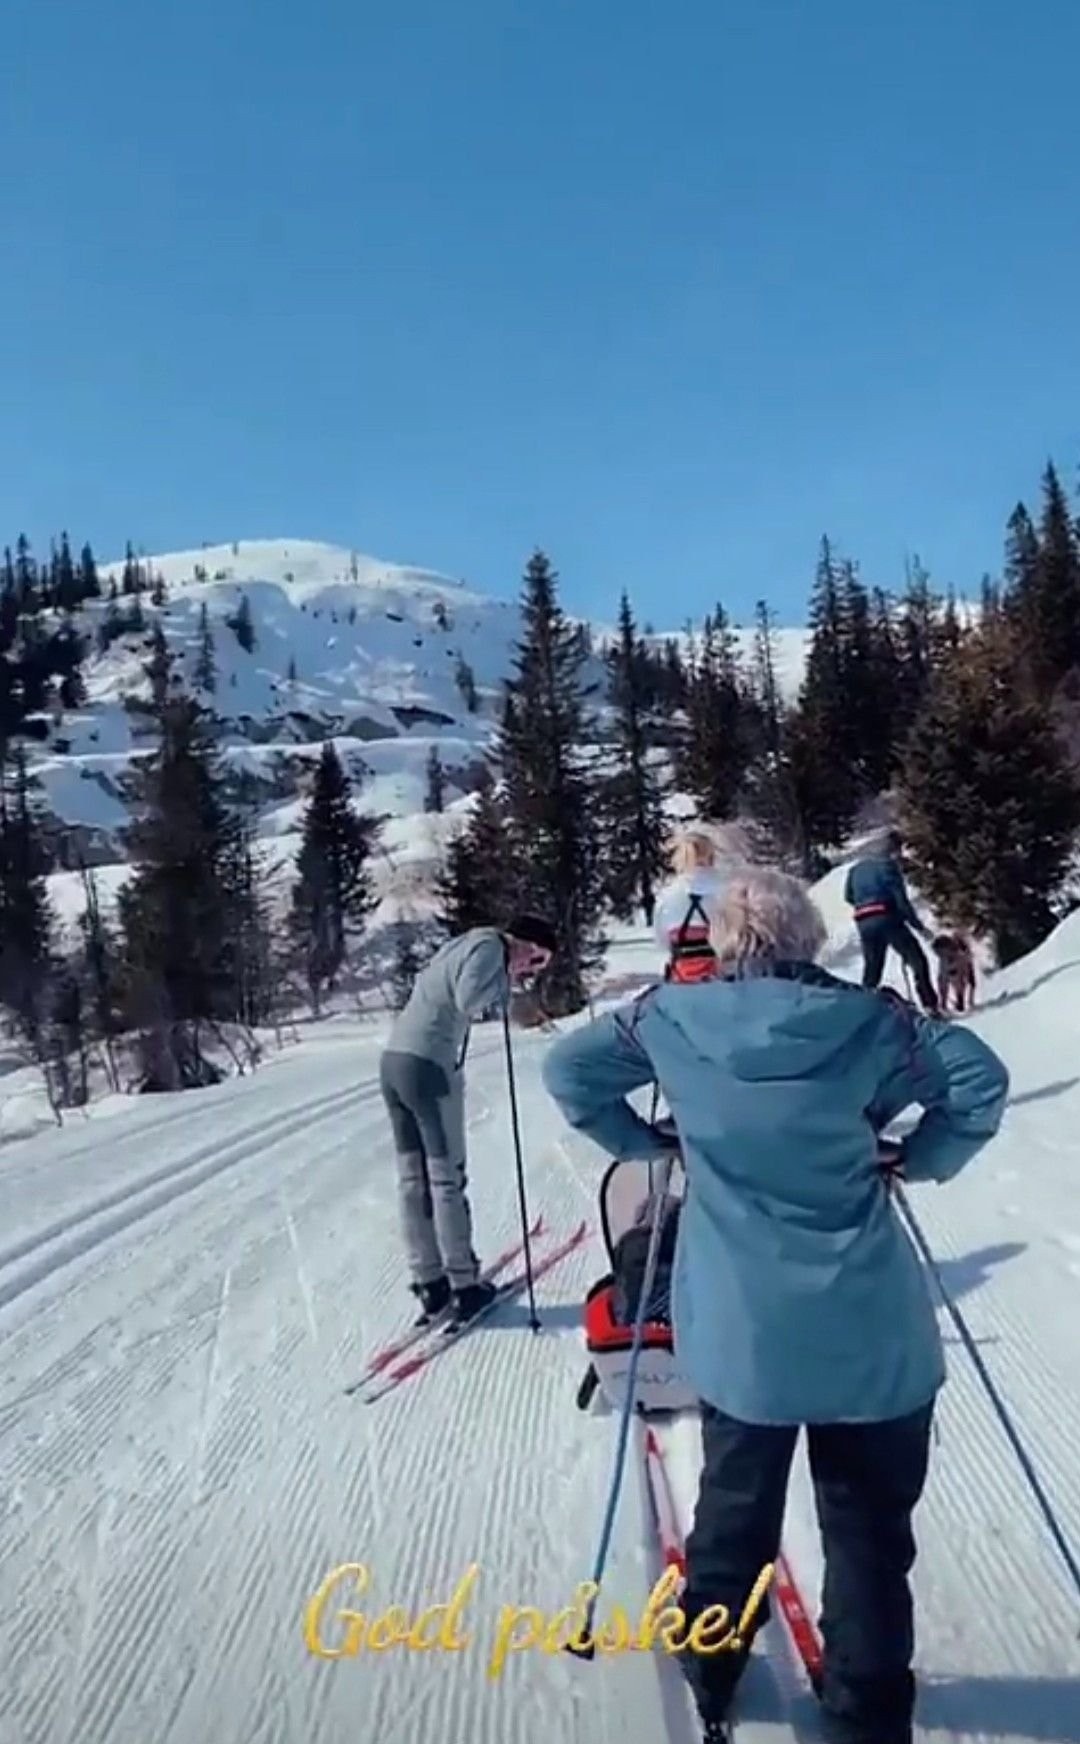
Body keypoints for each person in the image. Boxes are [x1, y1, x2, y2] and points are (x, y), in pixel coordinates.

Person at [541, 868, 1008, 1744]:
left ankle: (712, 1661)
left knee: (734, 1502)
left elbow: (570, 1070)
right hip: (871, 1330)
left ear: (717, 943)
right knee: (870, 1532)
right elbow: (978, 1081)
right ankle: (866, 1710)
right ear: (810, 938)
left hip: (743, 1328)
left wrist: (645, 1142)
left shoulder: (671, 1019)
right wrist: (920, 1155)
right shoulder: (875, 1022)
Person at [380, 914, 557, 1323]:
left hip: (394, 1062)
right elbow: (471, 1000)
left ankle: (429, 1280)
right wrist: (504, 984)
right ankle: (463, 1284)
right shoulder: (491, 948)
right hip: (429, 1067)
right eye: (536, 961)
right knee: (445, 1177)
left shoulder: (463, 943)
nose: (529, 971)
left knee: (413, 1178)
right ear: (525, 944)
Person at [844, 830, 940, 1014]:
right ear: (892, 850)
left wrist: (864, 903)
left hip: (864, 921)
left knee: (872, 969)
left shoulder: (855, 870)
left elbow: (848, 896)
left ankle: (863, 1010)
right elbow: (901, 902)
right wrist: (917, 926)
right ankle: (930, 1005)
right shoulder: (888, 866)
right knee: (917, 960)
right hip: (887, 917)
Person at [653, 822, 747, 983]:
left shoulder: (667, 896)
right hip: (721, 976)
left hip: (682, 977)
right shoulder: (727, 890)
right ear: (712, 856)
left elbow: (662, 942)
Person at [932, 931, 976, 1014]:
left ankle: (964, 1001)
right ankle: (950, 1004)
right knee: (946, 981)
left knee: (962, 982)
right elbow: (943, 981)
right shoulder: (944, 960)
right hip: (953, 968)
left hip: (962, 966)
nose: (938, 955)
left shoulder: (961, 957)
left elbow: (964, 978)